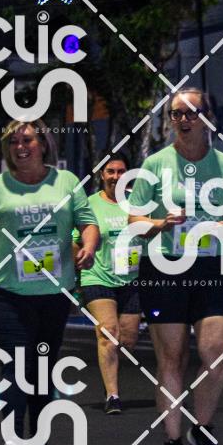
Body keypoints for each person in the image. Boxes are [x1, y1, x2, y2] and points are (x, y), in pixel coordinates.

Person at [0, 118, 99, 445]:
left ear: (44, 144)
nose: (20, 147)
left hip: (54, 292)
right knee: (16, 363)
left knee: (43, 368)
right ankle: (13, 442)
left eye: (27, 140)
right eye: (13, 142)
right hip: (9, 292)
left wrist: (88, 247)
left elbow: (88, 223)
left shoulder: (66, 182)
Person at [128, 88, 223, 445]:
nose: (184, 119)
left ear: (208, 117)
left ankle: (203, 427)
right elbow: (134, 221)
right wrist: (160, 223)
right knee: (172, 357)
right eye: (176, 113)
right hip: (165, 266)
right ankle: (173, 440)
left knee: (215, 350)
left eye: (192, 112)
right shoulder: (155, 164)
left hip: (211, 266)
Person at [77, 153, 141, 415]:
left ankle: (109, 376)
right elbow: (76, 239)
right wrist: (78, 262)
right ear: (102, 175)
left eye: (121, 171)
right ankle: (113, 395)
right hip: (97, 276)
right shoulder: (89, 205)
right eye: (110, 171)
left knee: (128, 340)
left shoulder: (138, 204)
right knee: (108, 334)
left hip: (131, 279)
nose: (116, 176)